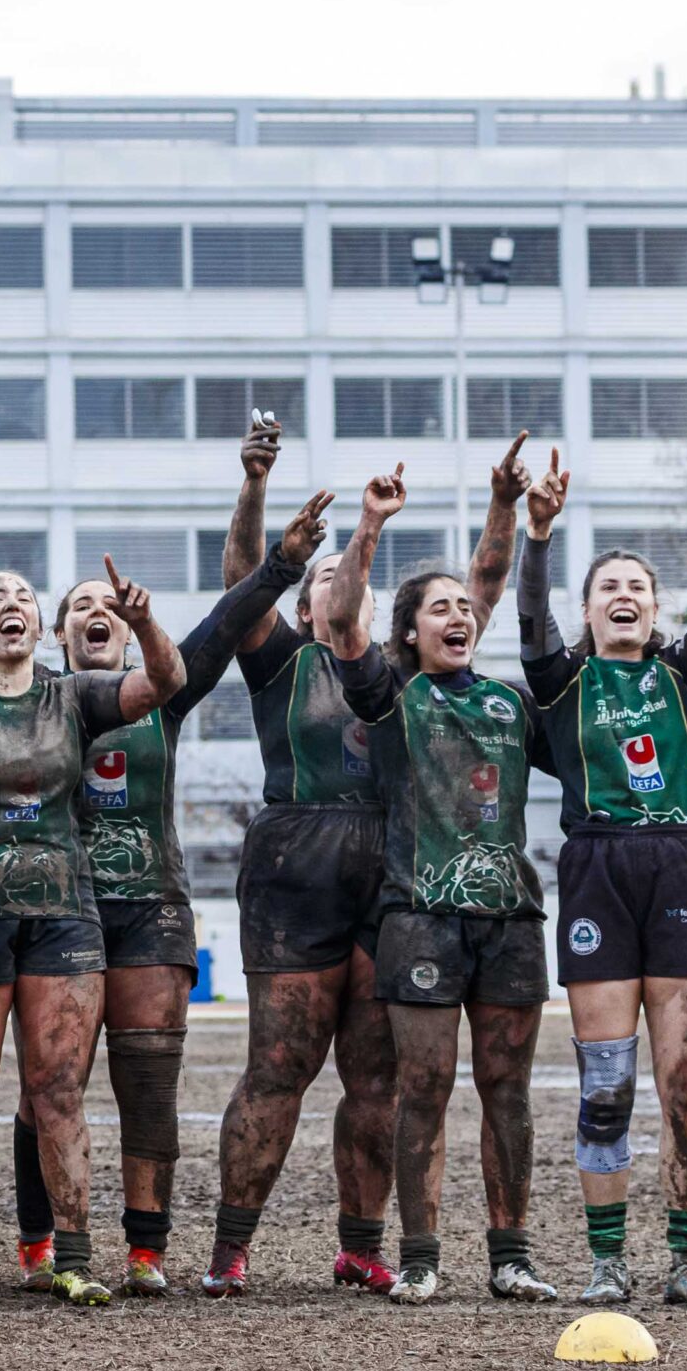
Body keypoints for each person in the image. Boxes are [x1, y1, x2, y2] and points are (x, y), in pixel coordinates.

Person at [0, 511, 318, 1309]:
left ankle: (87, 1253)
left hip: (78, 910)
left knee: (64, 1090)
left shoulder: (78, 696)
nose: (8, 600)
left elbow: (170, 678)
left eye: (24, 592)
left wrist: (152, 620)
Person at [205, 425, 520, 1297]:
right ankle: (231, 1249)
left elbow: (484, 587)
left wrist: (504, 505)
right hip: (296, 864)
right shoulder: (280, 661)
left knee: (376, 1077)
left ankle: (360, 1244)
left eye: (357, 587)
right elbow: (241, 582)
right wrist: (255, 486)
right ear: (308, 606)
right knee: (279, 1065)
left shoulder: (404, 675)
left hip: (393, 868)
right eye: (325, 585)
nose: (343, 594)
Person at [24, 484, 336, 1297]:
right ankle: (41, 1242)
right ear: (59, 634)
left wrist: (281, 564)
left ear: (126, 627)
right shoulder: (37, 702)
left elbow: (224, 628)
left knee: (148, 1084)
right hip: (61, 908)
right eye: (80, 607)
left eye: (109, 606)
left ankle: (144, 1250)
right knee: (48, 1083)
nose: (97, 612)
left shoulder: (160, 694)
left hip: (152, 911)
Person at [316, 460, 560, 1306]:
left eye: (464, 605)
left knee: (508, 1089)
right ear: (411, 632)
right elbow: (340, 617)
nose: (458, 614)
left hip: (511, 916)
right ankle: (419, 1255)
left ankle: (512, 1256)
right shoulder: (391, 696)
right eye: (439, 607)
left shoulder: (513, 704)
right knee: (423, 1086)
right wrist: (371, 527)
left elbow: (592, 764)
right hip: (418, 916)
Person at [521, 446, 687, 1307]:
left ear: (656, 610)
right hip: (595, 869)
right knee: (608, 1084)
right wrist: (537, 535)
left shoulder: (681, 675)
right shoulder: (561, 682)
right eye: (608, 587)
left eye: (639, 588)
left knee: (684, 1079)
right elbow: (527, 623)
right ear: (585, 610)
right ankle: (607, 1259)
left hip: (676, 868)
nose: (624, 595)